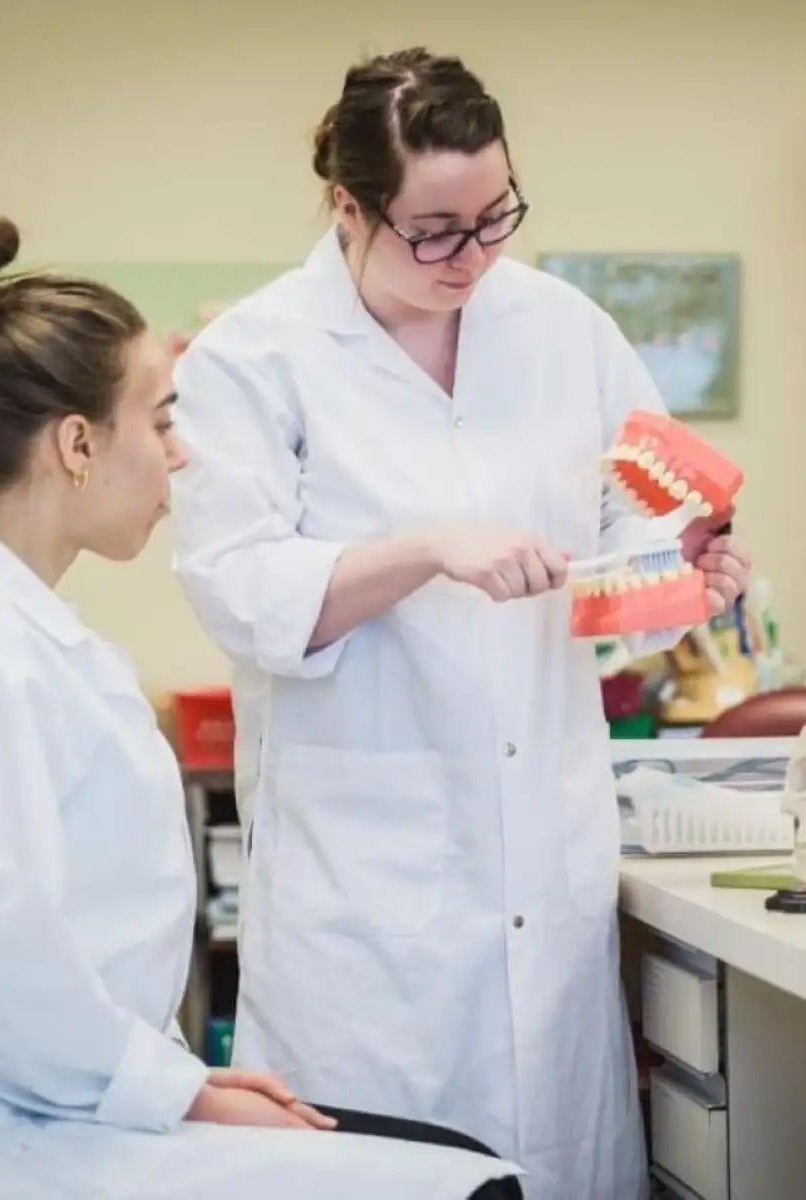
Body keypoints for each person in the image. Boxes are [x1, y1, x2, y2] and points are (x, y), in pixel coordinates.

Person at [0, 217, 524, 1200]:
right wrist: (185, 1093)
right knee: (471, 1187)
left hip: (65, 1098)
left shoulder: (19, 639)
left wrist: (181, 1081)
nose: (181, 454)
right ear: (76, 443)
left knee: (459, 1164)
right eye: (159, 420)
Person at [170, 47, 751, 1200]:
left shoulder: (561, 328)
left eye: (493, 216)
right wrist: (426, 546)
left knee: (560, 1162)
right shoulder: (257, 357)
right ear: (348, 203)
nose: (472, 255)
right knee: (383, 1172)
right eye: (433, 229)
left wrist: (684, 570)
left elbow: (618, 552)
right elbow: (240, 593)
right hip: (364, 895)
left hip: (543, 852)